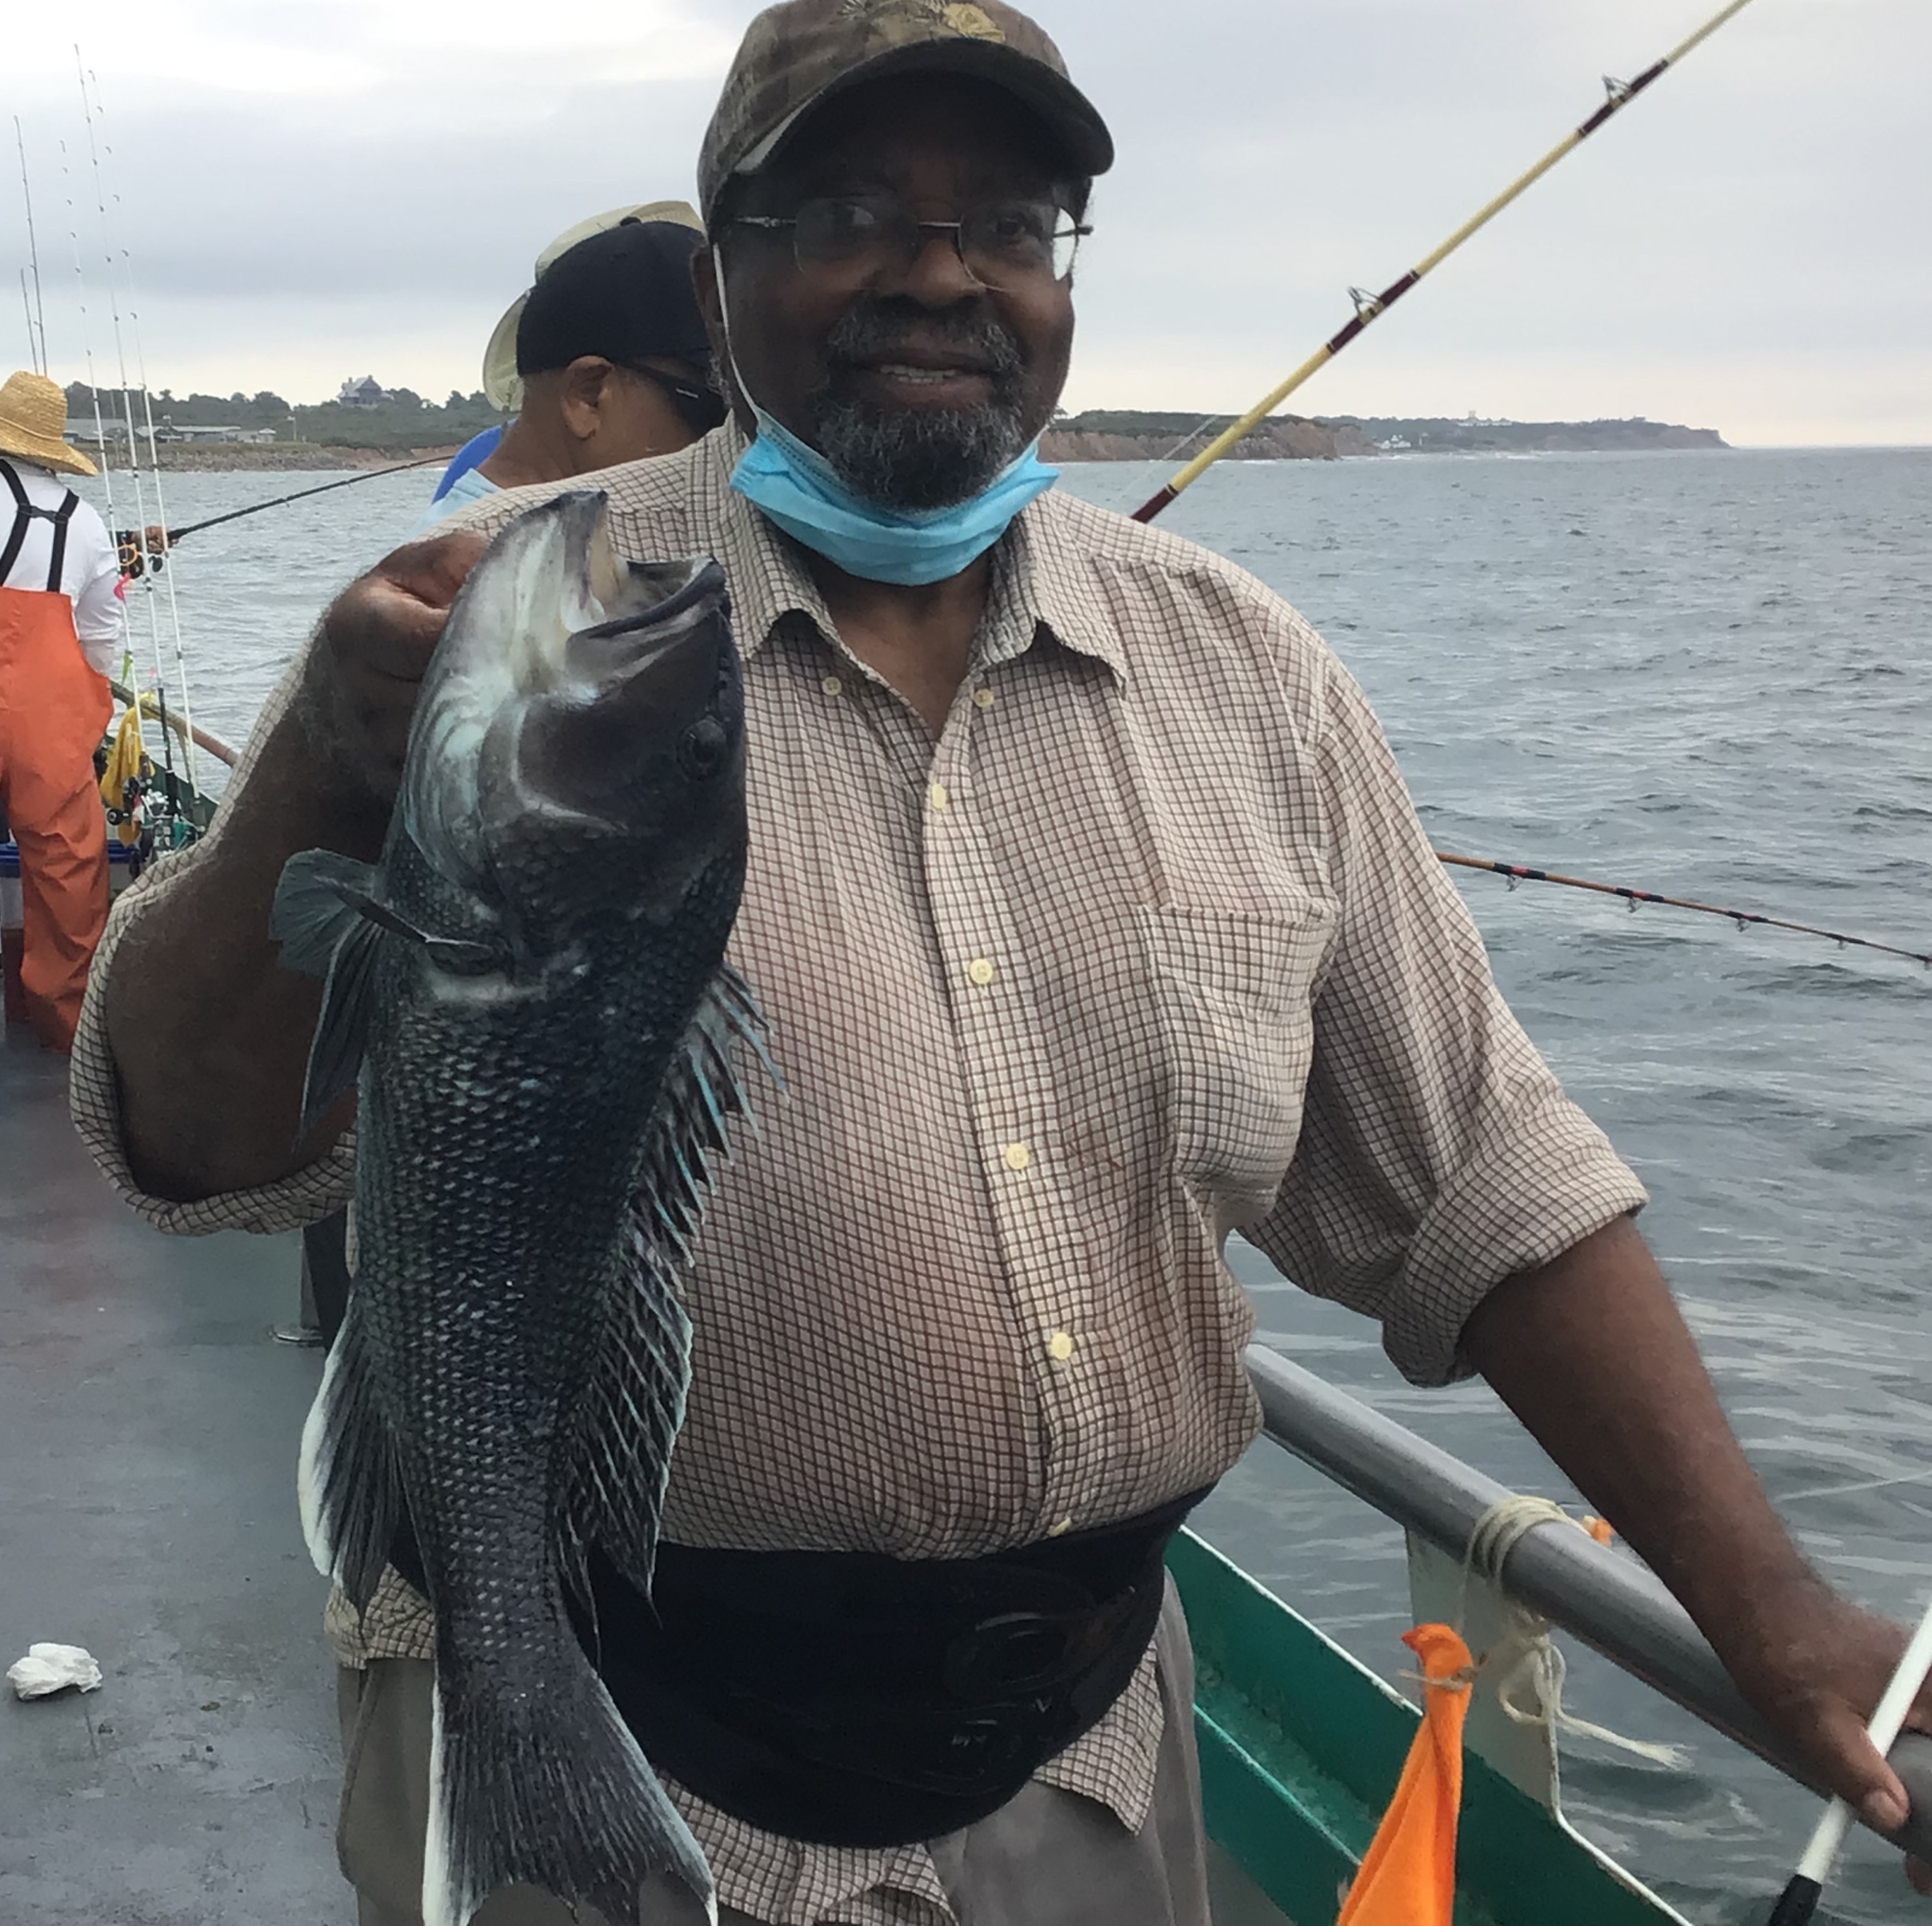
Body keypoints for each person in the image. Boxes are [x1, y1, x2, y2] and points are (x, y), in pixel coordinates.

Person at [74, 2, 1932, 1922]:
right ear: (725, 275)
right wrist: (319, 759)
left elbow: (1490, 1181)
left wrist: (1773, 1619)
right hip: (602, 1732)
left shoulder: (1245, 670)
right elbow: (191, 1137)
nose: (945, 275)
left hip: (1091, 1761)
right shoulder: (514, 613)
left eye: (1017, 225)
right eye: (860, 207)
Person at [413, 203, 726, 533]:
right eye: (714, 409)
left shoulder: (573, 536)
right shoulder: (469, 565)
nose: (735, 441)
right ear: (588, 396)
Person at [0, 370, 122, 1053]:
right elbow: (102, 636)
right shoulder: (86, 520)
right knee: (68, 871)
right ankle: (65, 1028)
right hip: (47, 721)